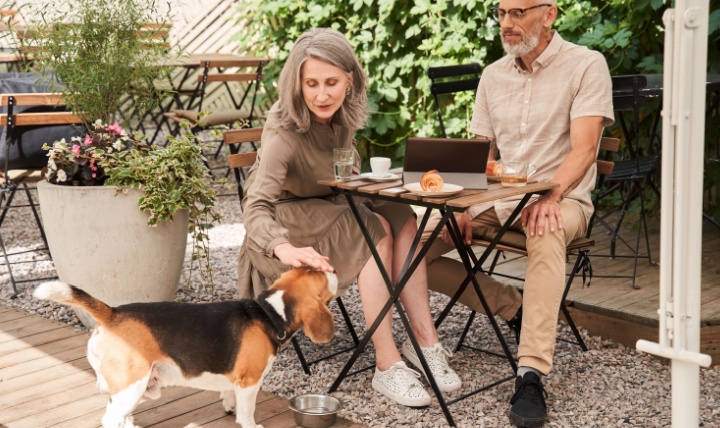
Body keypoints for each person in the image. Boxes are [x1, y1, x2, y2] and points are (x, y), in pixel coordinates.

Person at [237, 28, 461, 408]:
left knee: (402, 216)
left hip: (328, 207)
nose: (321, 95)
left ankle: (426, 342)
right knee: (373, 229)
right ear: (297, 83)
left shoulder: (342, 119)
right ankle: (387, 364)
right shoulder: (284, 132)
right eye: (311, 84)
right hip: (284, 223)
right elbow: (255, 205)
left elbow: (342, 180)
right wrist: (282, 246)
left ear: (350, 80)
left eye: (331, 82)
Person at [424, 1, 614, 426]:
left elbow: (585, 147)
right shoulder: (492, 76)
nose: (506, 24)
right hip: (500, 201)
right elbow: (483, 152)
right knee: (412, 247)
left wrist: (550, 197)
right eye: (500, 13)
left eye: (517, 13)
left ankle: (530, 374)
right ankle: (513, 309)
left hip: (562, 200)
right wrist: (462, 204)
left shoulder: (586, 65)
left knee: (544, 230)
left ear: (548, 14)